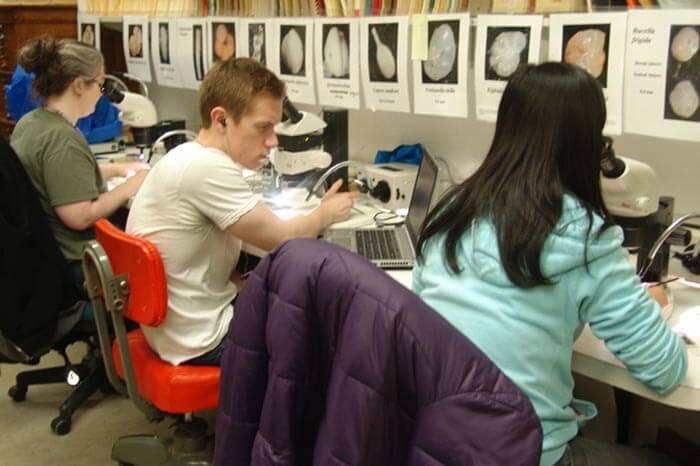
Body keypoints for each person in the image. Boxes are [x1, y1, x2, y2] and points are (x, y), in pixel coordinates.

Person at [413, 63, 687, 466]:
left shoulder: (451, 211)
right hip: (524, 454)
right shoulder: (585, 238)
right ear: (587, 145)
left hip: (435, 445)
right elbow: (665, 370)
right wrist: (657, 308)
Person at [126, 57, 355, 367]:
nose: (273, 141)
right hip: (202, 339)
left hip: (175, 326)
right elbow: (284, 239)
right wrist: (325, 213)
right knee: (336, 326)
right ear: (221, 120)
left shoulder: (188, 154)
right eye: (263, 128)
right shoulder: (206, 167)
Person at [10, 35, 149, 304]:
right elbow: (80, 216)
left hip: (41, 257)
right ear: (77, 86)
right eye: (100, 84)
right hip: (78, 265)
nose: (101, 93)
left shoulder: (32, 123)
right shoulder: (62, 139)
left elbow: (61, 173)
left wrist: (117, 169)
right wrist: (131, 186)